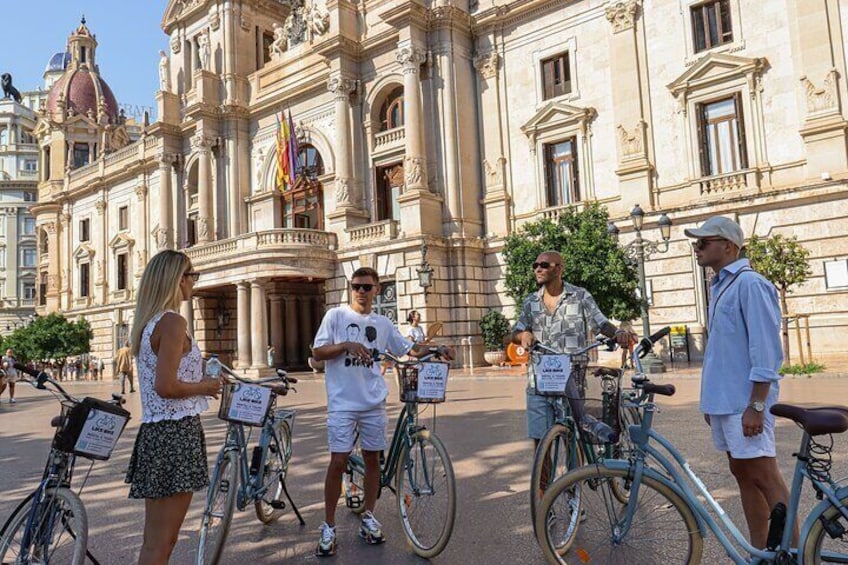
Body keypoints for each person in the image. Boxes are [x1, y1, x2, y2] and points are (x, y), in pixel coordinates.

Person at [311, 267, 454, 557]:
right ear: (351, 288)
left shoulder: (383, 323)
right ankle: (328, 526)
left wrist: (438, 348)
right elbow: (317, 352)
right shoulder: (336, 316)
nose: (361, 291)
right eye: (356, 286)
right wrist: (346, 345)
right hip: (342, 403)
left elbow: (409, 350)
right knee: (337, 461)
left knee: (373, 459)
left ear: (377, 289)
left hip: (373, 402)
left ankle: (369, 516)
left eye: (367, 287)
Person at [685, 216, 791, 549]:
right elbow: (724, 352)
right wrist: (711, 403)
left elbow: (766, 351)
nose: (697, 248)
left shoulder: (750, 284)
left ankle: (794, 552)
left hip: (745, 403)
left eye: (704, 242)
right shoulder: (721, 286)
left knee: (764, 476)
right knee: (744, 476)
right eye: (696, 243)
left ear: (728, 246)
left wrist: (757, 405)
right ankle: (760, 550)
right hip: (727, 403)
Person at [124, 250, 222, 565]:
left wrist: (197, 378)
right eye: (191, 275)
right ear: (177, 279)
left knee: (155, 541)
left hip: (155, 434)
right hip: (176, 434)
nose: (194, 281)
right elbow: (166, 386)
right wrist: (205, 386)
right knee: (162, 542)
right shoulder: (172, 321)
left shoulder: (148, 322)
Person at [510, 250, 632, 454]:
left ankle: (573, 482)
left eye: (544, 265)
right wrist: (522, 335)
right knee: (540, 444)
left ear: (559, 269)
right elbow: (513, 333)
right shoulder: (530, 301)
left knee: (574, 438)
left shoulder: (580, 296)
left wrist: (618, 333)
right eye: (535, 265)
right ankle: (544, 487)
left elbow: (601, 324)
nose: (538, 269)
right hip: (538, 382)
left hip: (572, 380)